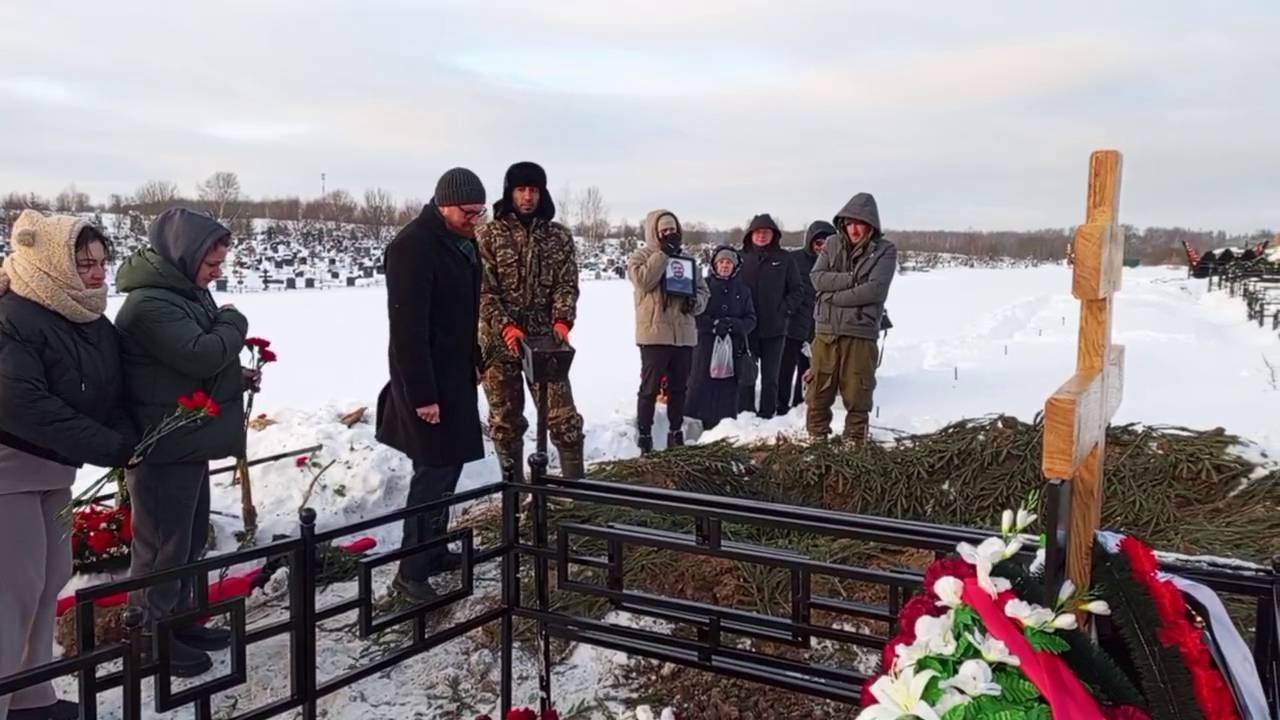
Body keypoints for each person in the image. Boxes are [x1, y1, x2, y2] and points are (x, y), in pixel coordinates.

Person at [0, 211, 135, 720]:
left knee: (49, 574)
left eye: (102, 261)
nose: (98, 273)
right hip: (8, 468)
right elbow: (20, 403)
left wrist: (124, 434)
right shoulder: (12, 315)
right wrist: (108, 445)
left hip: (53, 468)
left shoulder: (87, 317)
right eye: (84, 263)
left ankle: (30, 697)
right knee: (11, 588)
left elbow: (108, 388)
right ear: (52, 263)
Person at [115, 207, 252, 677]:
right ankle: (149, 638)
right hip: (161, 447)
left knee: (189, 538)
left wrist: (236, 373)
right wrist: (236, 323)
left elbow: (198, 359)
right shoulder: (149, 305)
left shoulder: (184, 294)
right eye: (211, 265)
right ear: (183, 255)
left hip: (186, 439)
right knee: (160, 547)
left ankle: (178, 621)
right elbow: (200, 353)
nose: (217, 274)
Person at [376, 167, 488, 602]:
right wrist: (423, 395)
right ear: (444, 203)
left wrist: (474, 358)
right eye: (468, 212)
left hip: (455, 374)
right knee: (431, 472)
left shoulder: (460, 241)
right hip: (426, 380)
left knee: (450, 465)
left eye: (480, 213)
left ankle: (435, 549)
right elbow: (407, 328)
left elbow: (463, 314)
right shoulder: (412, 247)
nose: (475, 219)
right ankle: (410, 572)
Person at [476, 162, 585, 479]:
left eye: (534, 190)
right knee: (506, 421)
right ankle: (515, 495)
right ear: (510, 192)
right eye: (521, 190)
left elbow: (567, 284)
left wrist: (562, 321)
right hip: (500, 340)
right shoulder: (489, 235)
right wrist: (505, 326)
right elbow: (483, 291)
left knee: (563, 418)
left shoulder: (558, 237)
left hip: (545, 338)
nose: (527, 197)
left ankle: (575, 493)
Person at [808, 193, 897, 443]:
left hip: (860, 331)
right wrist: (851, 279)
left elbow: (875, 290)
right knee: (818, 392)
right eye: (849, 223)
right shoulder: (833, 243)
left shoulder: (885, 250)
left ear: (870, 224)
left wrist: (833, 298)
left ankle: (854, 444)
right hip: (826, 331)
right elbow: (817, 278)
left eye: (859, 223)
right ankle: (817, 440)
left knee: (858, 393)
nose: (854, 229)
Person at [626, 210, 709, 453]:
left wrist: (694, 303)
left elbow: (703, 291)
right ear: (654, 232)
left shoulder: (687, 260)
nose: (669, 234)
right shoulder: (640, 257)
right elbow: (643, 281)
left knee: (679, 387)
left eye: (673, 230)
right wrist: (663, 254)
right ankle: (645, 435)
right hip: (654, 334)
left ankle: (675, 431)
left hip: (683, 334)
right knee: (650, 388)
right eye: (664, 231)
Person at [737, 213, 804, 419]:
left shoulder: (784, 259)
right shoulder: (741, 258)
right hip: (748, 329)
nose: (761, 236)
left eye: (766, 232)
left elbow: (797, 290)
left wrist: (785, 309)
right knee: (747, 374)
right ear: (750, 234)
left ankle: (768, 414)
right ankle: (746, 413)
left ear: (773, 235)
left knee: (770, 377)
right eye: (757, 232)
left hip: (775, 329)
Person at [686, 246, 756, 432]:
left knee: (727, 393)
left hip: (732, 349)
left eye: (729, 263)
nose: (725, 266)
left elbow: (751, 319)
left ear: (735, 266)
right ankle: (694, 432)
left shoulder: (743, 290)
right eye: (721, 262)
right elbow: (694, 315)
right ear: (715, 265)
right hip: (705, 349)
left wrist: (734, 325)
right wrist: (714, 325)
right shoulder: (704, 286)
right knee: (700, 390)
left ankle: (724, 430)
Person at [777, 221, 835, 414]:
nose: (821, 248)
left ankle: (801, 405)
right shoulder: (793, 259)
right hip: (792, 324)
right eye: (818, 243)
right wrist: (786, 309)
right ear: (810, 242)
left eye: (827, 243)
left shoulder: (836, 264)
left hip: (819, 327)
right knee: (785, 369)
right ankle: (781, 406)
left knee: (809, 370)